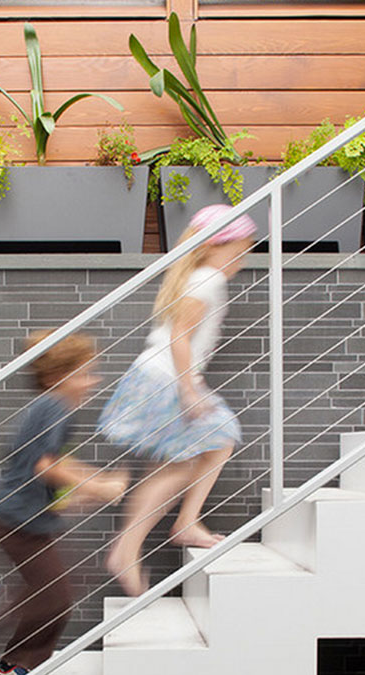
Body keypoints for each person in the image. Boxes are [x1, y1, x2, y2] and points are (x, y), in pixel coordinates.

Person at [98, 204, 257, 596]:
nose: (239, 261)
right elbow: (179, 338)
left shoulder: (200, 277)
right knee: (218, 437)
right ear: (210, 247)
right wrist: (189, 389)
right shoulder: (207, 281)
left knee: (173, 465)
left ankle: (147, 539)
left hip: (156, 377)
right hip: (166, 380)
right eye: (235, 252)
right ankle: (149, 539)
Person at [0, 330, 128, 675]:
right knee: (55, 598)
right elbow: (46, 466)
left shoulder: (47, 409)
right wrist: (100, 487)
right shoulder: (53, 407)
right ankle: (12, 666)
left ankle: (24, 657)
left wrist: (92, 482)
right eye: (83, 373)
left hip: (23, 519)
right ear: (54, 378)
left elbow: (51, 464)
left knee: (54, 593)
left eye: (92, 372)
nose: (92, 381)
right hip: (18, 523)